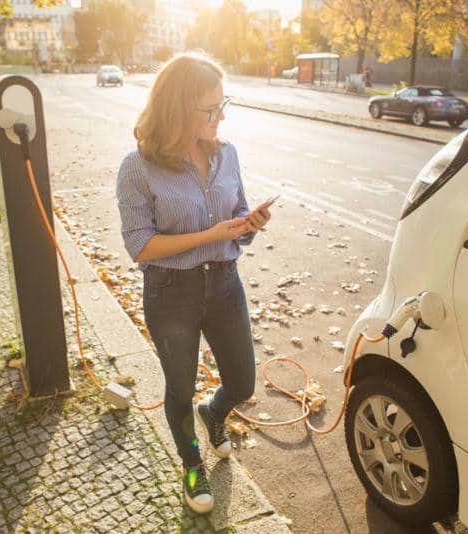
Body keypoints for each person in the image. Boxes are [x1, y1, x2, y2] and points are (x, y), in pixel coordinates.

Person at [115, 52, 269, 514]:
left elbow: (236, 213)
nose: (220, 116)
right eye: (210, 109)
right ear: (178, 108)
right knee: (179, 388)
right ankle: (191, 463)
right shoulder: (137, 167)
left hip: (225, 283)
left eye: (224, 105)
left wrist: (250, 223)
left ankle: (215, 413)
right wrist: (210, 235)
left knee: (242, 382)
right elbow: (140, 247)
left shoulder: (228, 153)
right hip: (171, 293)